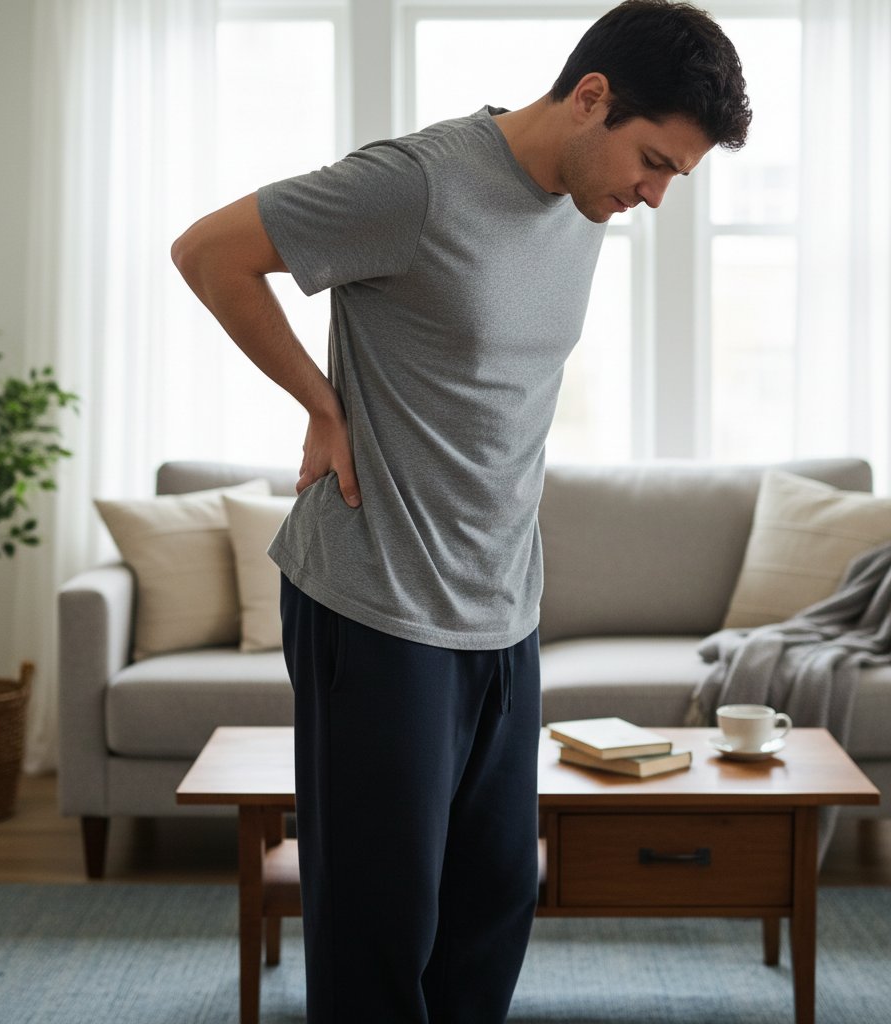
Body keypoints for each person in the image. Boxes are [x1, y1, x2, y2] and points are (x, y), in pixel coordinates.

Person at [172, 2, 751, 1020]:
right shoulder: (418, 183)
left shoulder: (587, 204)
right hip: (376, 604)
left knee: (493, 903)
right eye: (653, 162)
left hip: (502, 611)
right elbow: (208, 250)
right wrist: (321, 401)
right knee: (377, 929)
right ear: (590, 99)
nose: (653, 196)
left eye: (674, 178)